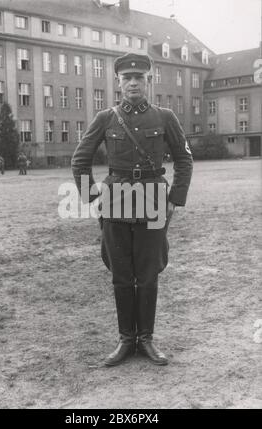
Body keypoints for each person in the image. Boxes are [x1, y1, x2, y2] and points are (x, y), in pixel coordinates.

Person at [71, 53, 193, 366]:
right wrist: (94, 196)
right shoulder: (105, 118)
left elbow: (183, 159)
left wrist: (175, 199)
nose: (133, 83)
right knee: (122, 275)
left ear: (148, 81)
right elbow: (80, 160)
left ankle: (147, 340)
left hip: (153, 198)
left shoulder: (165, 117)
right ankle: (126, 340)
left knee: (149, 274)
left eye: (139, 78)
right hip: (115, 200)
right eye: (127, 78)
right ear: (119, 82)